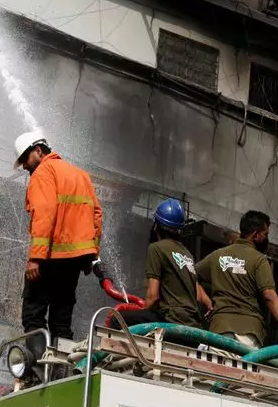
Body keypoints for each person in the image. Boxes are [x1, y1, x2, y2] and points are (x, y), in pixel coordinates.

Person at [14, 132, 102, 363]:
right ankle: (61, 370)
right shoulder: (80, 175)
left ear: (38, 151)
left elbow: (44, 213)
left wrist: (35, 258)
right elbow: (96, 215)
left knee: (33, 315)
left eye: (25, 159)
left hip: (50, 257)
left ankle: (38, 370)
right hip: (74, 262)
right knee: (61, 320)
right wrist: (91, 254)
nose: (24, 166)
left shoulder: (43, 172)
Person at [196, 210, 278, 352]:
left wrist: (207, 302)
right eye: (265, 234)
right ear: (255, 235)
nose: (267, 239)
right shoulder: (259, 260)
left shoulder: (217, 255)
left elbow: (191, 274)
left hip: (220, 331)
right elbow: (269, 295)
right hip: (248, 334)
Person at [116, 198, 212, 329]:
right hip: (191, 322)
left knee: (116, 319)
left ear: (156, 225)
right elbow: (199, 297)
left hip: (170, 318)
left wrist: (143, 314)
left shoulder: (156, 248)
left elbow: (153, 296)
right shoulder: (187, 254)